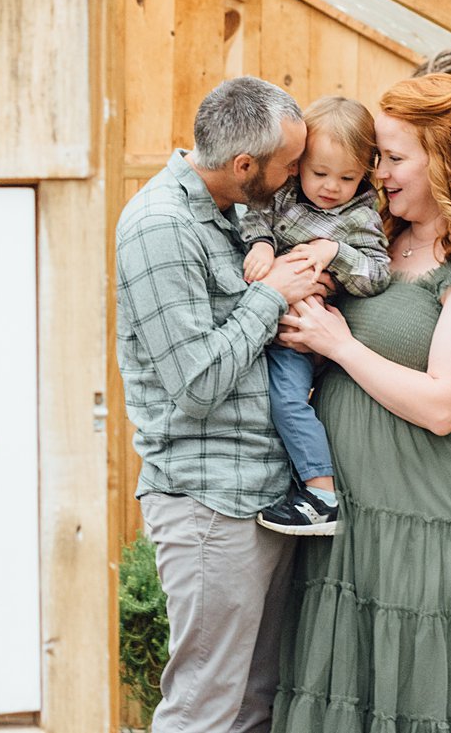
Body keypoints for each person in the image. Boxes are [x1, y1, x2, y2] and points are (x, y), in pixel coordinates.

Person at [271, 73, 451, 733]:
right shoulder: (380, 241)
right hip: (359, 522)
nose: (378, 171)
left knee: (419, 701)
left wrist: (337, 343)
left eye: (394, 157)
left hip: (430, 523)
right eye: (379, 156)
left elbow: (446, 403)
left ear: (443, 161)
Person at [116, 76, 327, 733]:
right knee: (203, 709)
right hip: (209, 502)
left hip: (263, 495)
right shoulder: (159, 226)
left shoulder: (237, 210)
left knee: (253, 705)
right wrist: (273, 296)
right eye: (289, 165)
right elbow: (197, 382)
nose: (295, 176)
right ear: (245, 166)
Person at [240, 96, 390, 537]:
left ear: (366, 170)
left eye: (347, 176)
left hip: (298, 330)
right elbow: (254, 218)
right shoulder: (283, 195)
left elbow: (377, 275)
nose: (330, 187)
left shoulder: (360, 217)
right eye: (319, 173)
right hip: (258, 322)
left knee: (287, 401)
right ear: (298, 164)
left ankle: (321, 495)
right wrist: (262, 245)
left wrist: (335, 253)